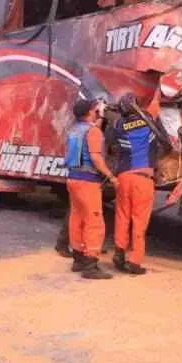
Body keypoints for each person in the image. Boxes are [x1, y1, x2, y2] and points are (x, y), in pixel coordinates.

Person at [64, 99, 117, 279]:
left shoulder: (74, 129)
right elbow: (95, 158)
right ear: (89, 113)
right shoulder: (92, 131)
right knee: (95, 221)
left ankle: (78, 259)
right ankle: (91, 265)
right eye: (95, 110)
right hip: (88, 182)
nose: (97, 112)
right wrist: (110, 176)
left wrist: (99, 118)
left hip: (73, 178)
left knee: (77, 218)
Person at [110, 91, 161, 275]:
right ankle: (134, 262)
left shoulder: (118, 125)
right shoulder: (149, 119)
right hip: (143, 179)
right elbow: (157, 101)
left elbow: (111, 144)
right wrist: (159, 85)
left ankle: (119, 253)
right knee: (139, 221)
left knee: (122, 217)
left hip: (124, 177)